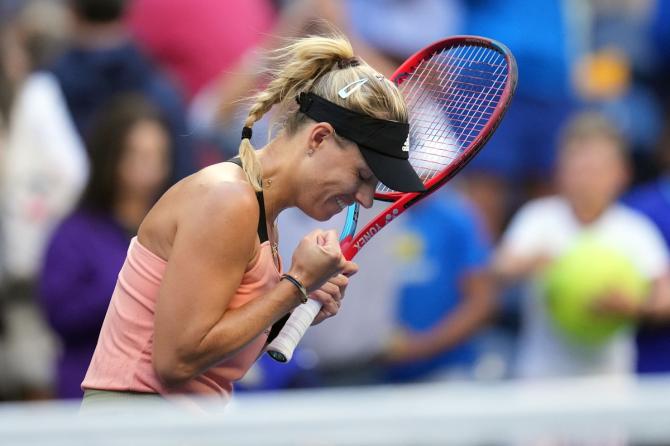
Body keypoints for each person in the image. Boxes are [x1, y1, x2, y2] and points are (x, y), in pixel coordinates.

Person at [81, 34, 425, 408]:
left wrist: (290, 309)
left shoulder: (259, 212)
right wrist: (297, 285)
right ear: (319, 138)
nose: (365, 198)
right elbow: (176, 362)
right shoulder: (227, 200)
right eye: (361, 175)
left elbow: (212, 358)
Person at [493, 112, 670, 378]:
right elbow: (498, 268)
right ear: (559, 171)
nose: (587, 178)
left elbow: (664, 296)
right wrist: (529, 263)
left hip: (610, 384)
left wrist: (634, 306)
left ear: (621, 174)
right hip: (539, 382)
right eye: (578, 168)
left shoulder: (635, 230)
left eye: (597, 169)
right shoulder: (538, 218)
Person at [39, 94, 171, 399]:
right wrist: (131, 287)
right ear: (110, 157)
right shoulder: (74, 233)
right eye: (137, 156)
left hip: (161, 387)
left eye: (157, 156)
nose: (149, 169)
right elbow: (59, 315)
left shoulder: (173, 226)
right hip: (89, 384)